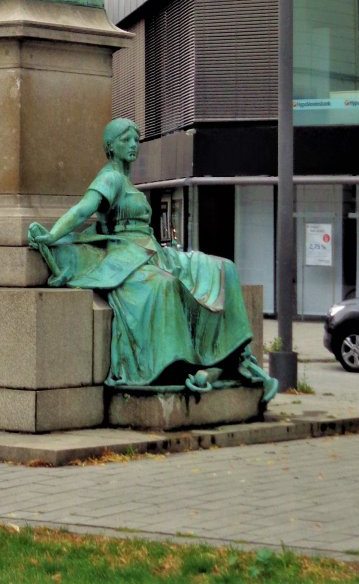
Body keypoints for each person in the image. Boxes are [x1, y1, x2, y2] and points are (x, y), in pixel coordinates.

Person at [28, 118, 277, 401]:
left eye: (136, 139)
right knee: (165, 286)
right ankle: (184, 366)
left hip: (152, 250)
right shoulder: (109, 178)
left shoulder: (126, 180)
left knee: (224, 270)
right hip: (128, 255)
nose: (134, 144)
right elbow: (82, 210)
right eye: (125, 139)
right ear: (110, 146)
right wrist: (53, 234)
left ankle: (234, 359)